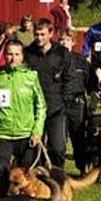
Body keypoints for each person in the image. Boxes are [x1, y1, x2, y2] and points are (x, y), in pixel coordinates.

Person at [0, 40, 46, 196]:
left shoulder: (31, 78)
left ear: (22, 56)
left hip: (26, 134)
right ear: (4, 56)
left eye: (17, 54)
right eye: (9, 54)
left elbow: (41, 106)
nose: (13, 58)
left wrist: (37, 131)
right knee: (3, 172)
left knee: (26, 175)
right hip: (2, 134)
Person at [25, 19, 70, 167]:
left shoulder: (62, 53)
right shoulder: (28, 54)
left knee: (58, 148)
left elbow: (69, 78)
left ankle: (57, 178)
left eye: (42, 34)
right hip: (34, 109)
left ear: (51, 34)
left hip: (56, 108)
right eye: (36, 34)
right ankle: (38, 180)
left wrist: (64, 99)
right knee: (34, 148)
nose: (39, 38)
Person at [60, 29, 94, 170]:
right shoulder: (53, 60)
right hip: (59, 103)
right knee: (59, 141)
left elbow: (91, 82)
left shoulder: (81, 61)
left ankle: (82, 169)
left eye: (67, 40)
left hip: (77, 104)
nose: (63, 43)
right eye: (61, 40)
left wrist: (93, 98)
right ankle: (57, 170)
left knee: (79, 139)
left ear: (73, 42)